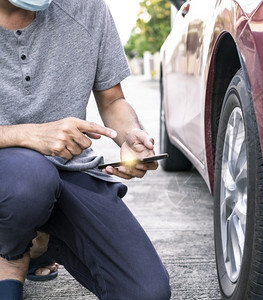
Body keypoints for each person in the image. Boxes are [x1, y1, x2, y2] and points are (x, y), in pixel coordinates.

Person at [0, 0, 171, 299]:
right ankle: (11, 254)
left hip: (72, 171)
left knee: (147, 293)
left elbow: (112, 99)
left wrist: (129, 137)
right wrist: (29, 135)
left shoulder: (88, 8)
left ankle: (40, 240)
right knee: (28, 182)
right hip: (12, 178)